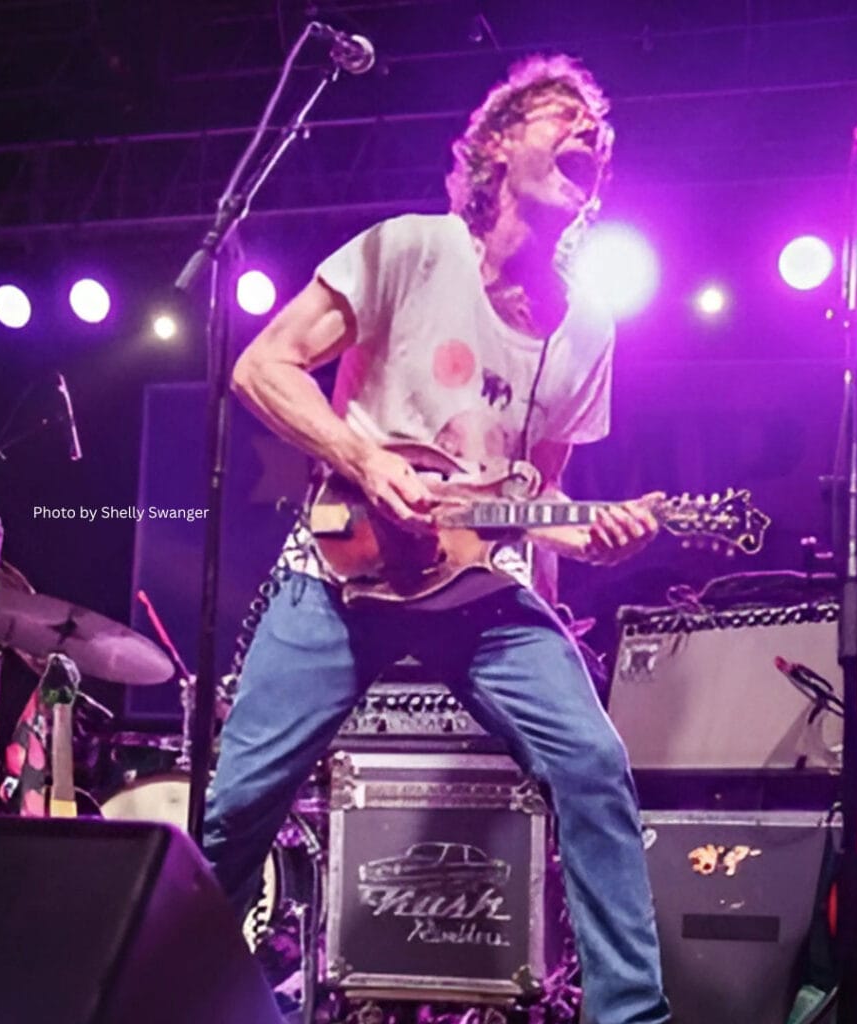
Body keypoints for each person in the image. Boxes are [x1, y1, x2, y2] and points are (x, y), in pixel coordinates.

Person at [203, 54, 671, 1024]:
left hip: (477, 590)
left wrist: (584, 537)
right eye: (564, 116)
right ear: (497, 143)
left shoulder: (587, 327)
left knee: (592, 763)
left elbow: (534, 486)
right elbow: (262, 367)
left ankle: (630, 1015)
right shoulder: (409, 249)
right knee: (235, 810)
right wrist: (366, 459)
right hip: (337, 566)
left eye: (600, 132)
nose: (589, 134)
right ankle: (173, 993)